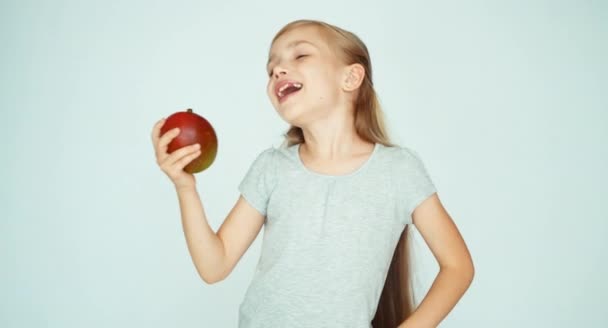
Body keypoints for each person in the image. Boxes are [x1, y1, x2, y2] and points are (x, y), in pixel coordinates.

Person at [151, 19, 474, 328]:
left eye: (300, 54)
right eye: (270, 68)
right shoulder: (272, 168)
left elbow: (458, 267)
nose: (277, 70)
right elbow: (214, 266)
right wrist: (185, 187)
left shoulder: (399, 171)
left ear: (350, 78)